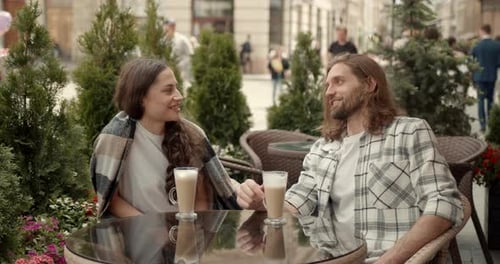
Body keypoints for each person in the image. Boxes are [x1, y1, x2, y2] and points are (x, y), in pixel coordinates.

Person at [236, 54, 464, 262]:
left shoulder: (408, 133)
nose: (328, 92)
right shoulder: (322, 149)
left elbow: (445, 204)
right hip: (329, 258)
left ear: (369, 84)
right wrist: (261, 202)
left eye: (339, 82)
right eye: (327, 85)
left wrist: (391, 259)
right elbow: (298, 204)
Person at [90, 58, 240, 218]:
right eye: (168, 90)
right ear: (141, 98)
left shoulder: (192, 135)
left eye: (177, 88)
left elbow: (202, 198)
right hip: (135, 236)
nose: (180, 96)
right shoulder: (114, 139)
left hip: (186, 237)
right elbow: (111, 201)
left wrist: (189, 231)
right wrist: (149, 227)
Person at [471, 24, 500, 133]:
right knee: (491, 100)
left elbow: (472, 63)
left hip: (479, 77)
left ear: (482, 31)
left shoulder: (477, 46)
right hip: (492, 76)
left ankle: (482, 125)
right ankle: (491, 122)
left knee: (481, 100)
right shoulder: (497, 45)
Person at [163, 18, 194, 86]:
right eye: (167, 26)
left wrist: (179, 66)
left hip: (182, 73)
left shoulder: (182, 39)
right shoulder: (163, 41)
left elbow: (190, 55)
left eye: (171, 26)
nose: (168, 28)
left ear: (174, 27)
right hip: (167, 73)